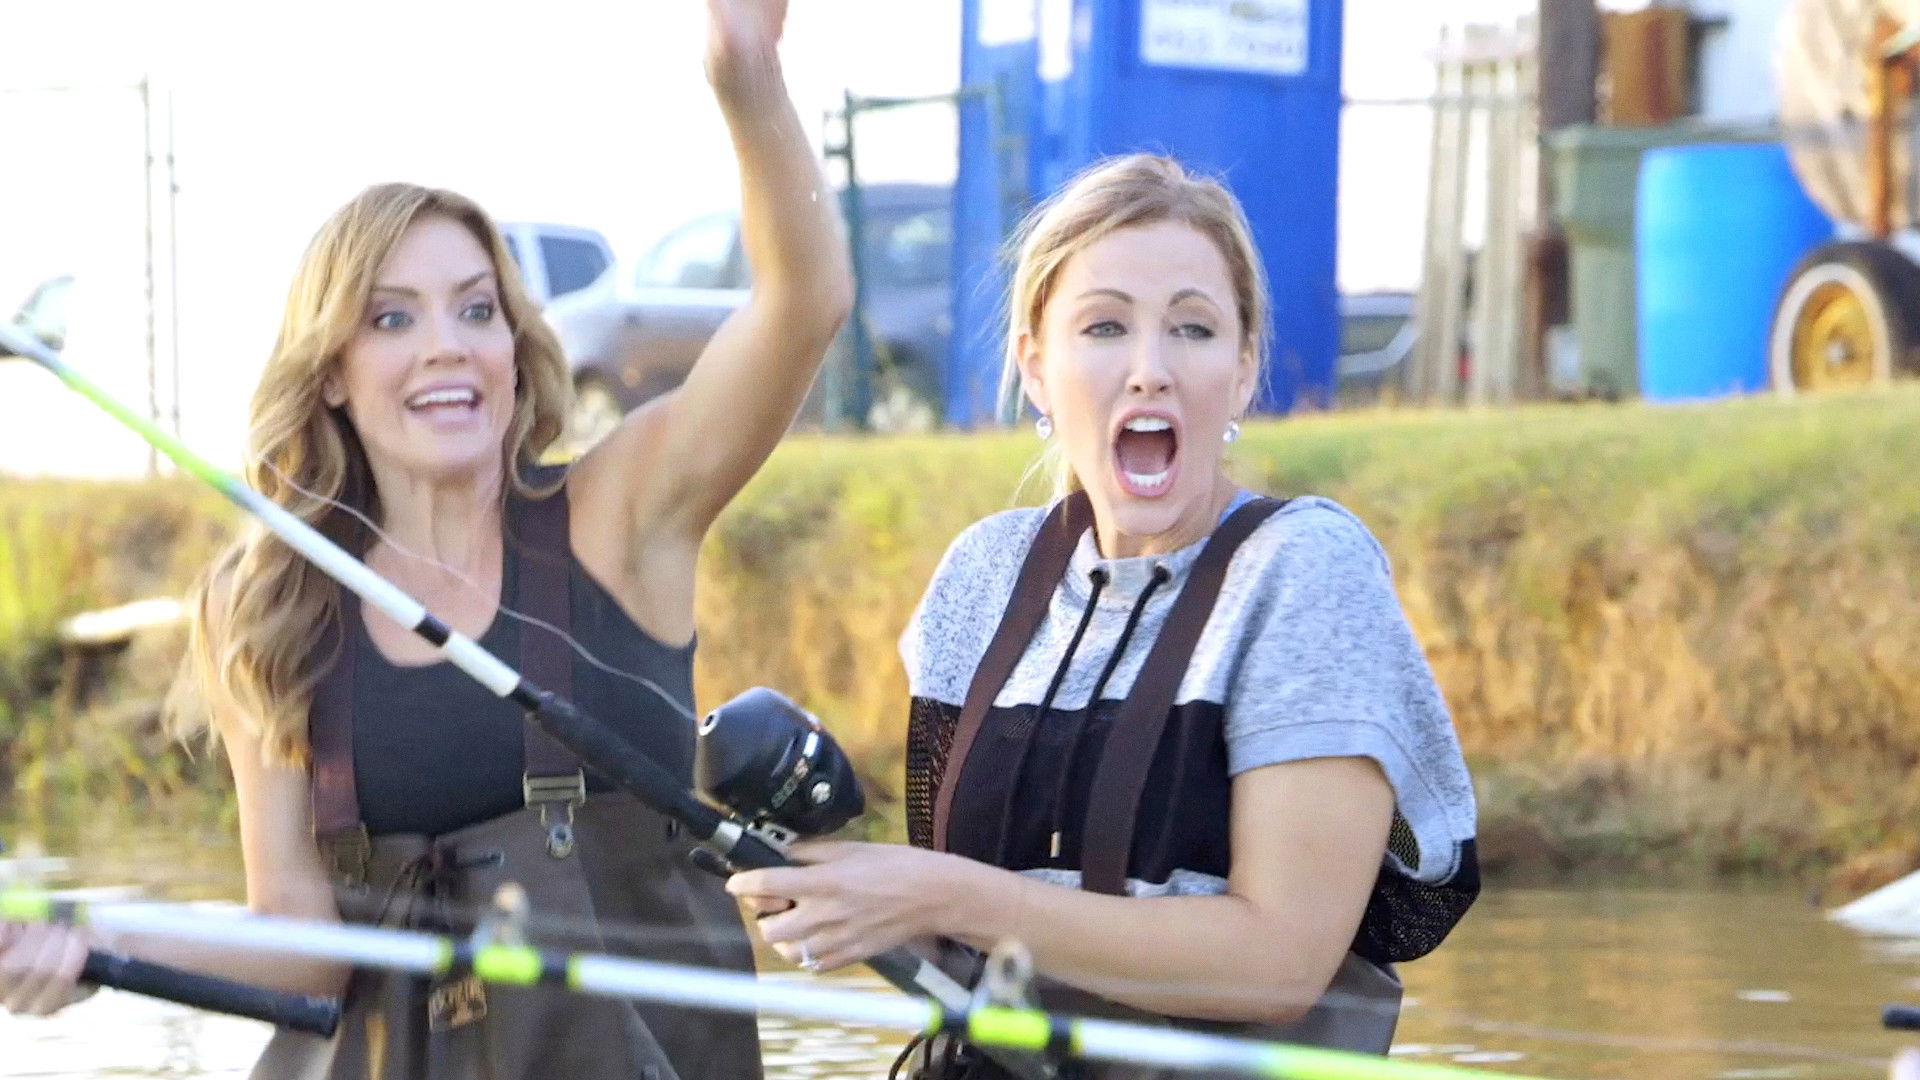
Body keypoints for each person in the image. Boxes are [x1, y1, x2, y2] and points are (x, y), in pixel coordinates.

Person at [0, 2, 850, 1077]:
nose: (445, 346)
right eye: (392, 318)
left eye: (475, 309)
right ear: (331, 374)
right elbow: (303, 951)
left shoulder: (621, 516)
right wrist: (97, 941)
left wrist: (744, 75)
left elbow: (804, 304)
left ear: (514, 345)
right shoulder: (263, 605)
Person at [727, 154, 1480, 1077]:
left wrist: (941, 895)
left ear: (1244, 368)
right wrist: (849, 897)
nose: (1149, 370)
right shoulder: (981, 578)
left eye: (1193, 328)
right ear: (1035, 368)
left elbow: (1281, 963)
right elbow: (966, 950)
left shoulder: (1306, 570)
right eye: (1105, 327)